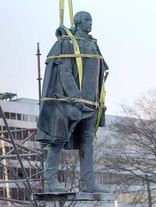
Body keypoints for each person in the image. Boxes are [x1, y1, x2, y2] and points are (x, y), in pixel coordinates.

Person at [37, 11, 109, 193]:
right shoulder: (68, 43)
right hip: (72, 102)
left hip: (92, 103)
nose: (90, 23)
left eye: (91, 20)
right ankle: (50, 180)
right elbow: (65, 71)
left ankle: (88, 181)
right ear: (77, 22)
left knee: (87, 142)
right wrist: (75, 97)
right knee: (59, 139)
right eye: (87, 20)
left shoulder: (93, 45)